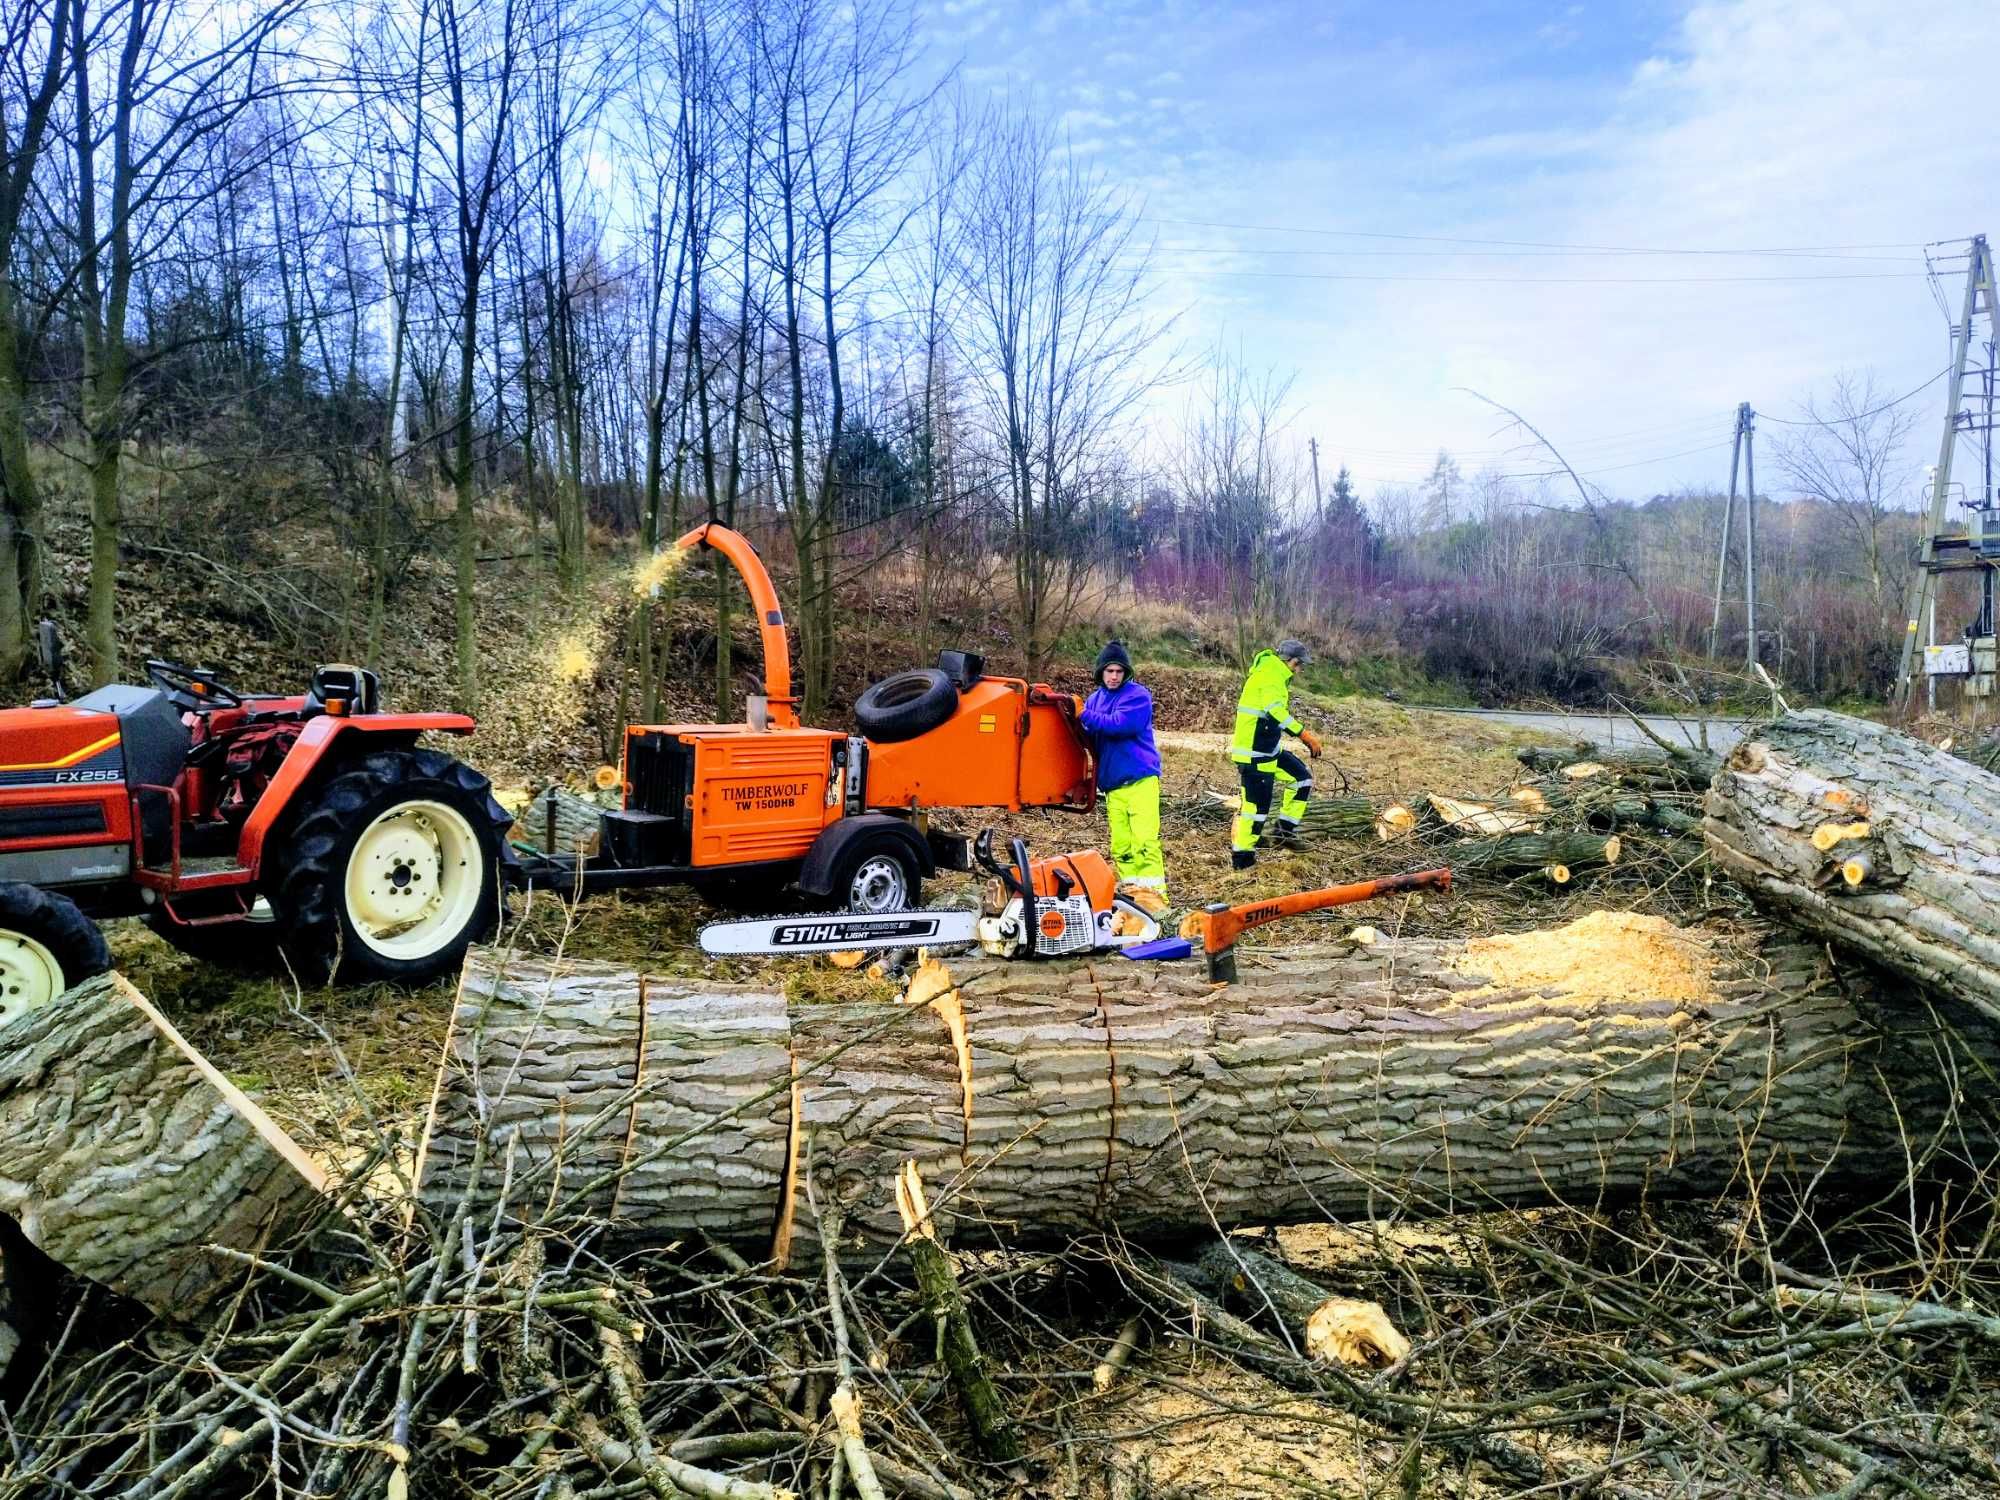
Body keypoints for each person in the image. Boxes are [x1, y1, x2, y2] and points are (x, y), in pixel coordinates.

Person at [1079, 640, 1169, 914]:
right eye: (1109, 671)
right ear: (1101, 673)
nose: (1114, 676)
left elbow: (1120, 724)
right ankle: (1133, 900)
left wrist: (1082, 713)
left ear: (1126, 673)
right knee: (1122, 847)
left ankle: (1156, 903)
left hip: (1140, 780)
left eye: (1119, 671)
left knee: (1145, 843)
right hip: (1114, 786)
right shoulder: (1095, 700)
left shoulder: (1138, 696)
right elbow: (1089, 736)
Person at [1229, 637, 1322, 869]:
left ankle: (1284, 832)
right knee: (1255, 811)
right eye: (1300, 665)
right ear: (1291, 661)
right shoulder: (1270, 675)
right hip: (1254, 755)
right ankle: (1243, 860)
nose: (1301, 670)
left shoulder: (1276, 674)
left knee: (1301, 779)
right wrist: (1304, 735)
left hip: (1268, 750)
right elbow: (1275, 712)